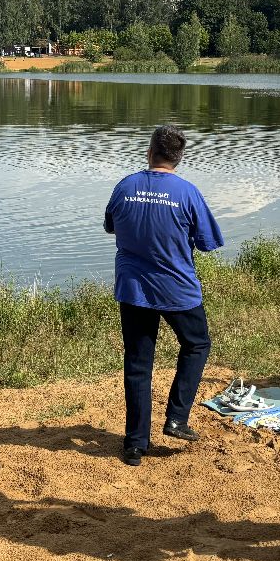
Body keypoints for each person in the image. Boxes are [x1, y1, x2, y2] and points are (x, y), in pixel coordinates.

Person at [104, 124, 223, 467]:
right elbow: (208, 242)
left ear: (149, 151)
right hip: (177, 288)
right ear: (178, 158)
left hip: (133, 289)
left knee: (138, 362)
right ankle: (176, 418)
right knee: (197, 344)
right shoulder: (187, 192)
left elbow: (111, 225)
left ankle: (134, 444)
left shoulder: (125, 186)